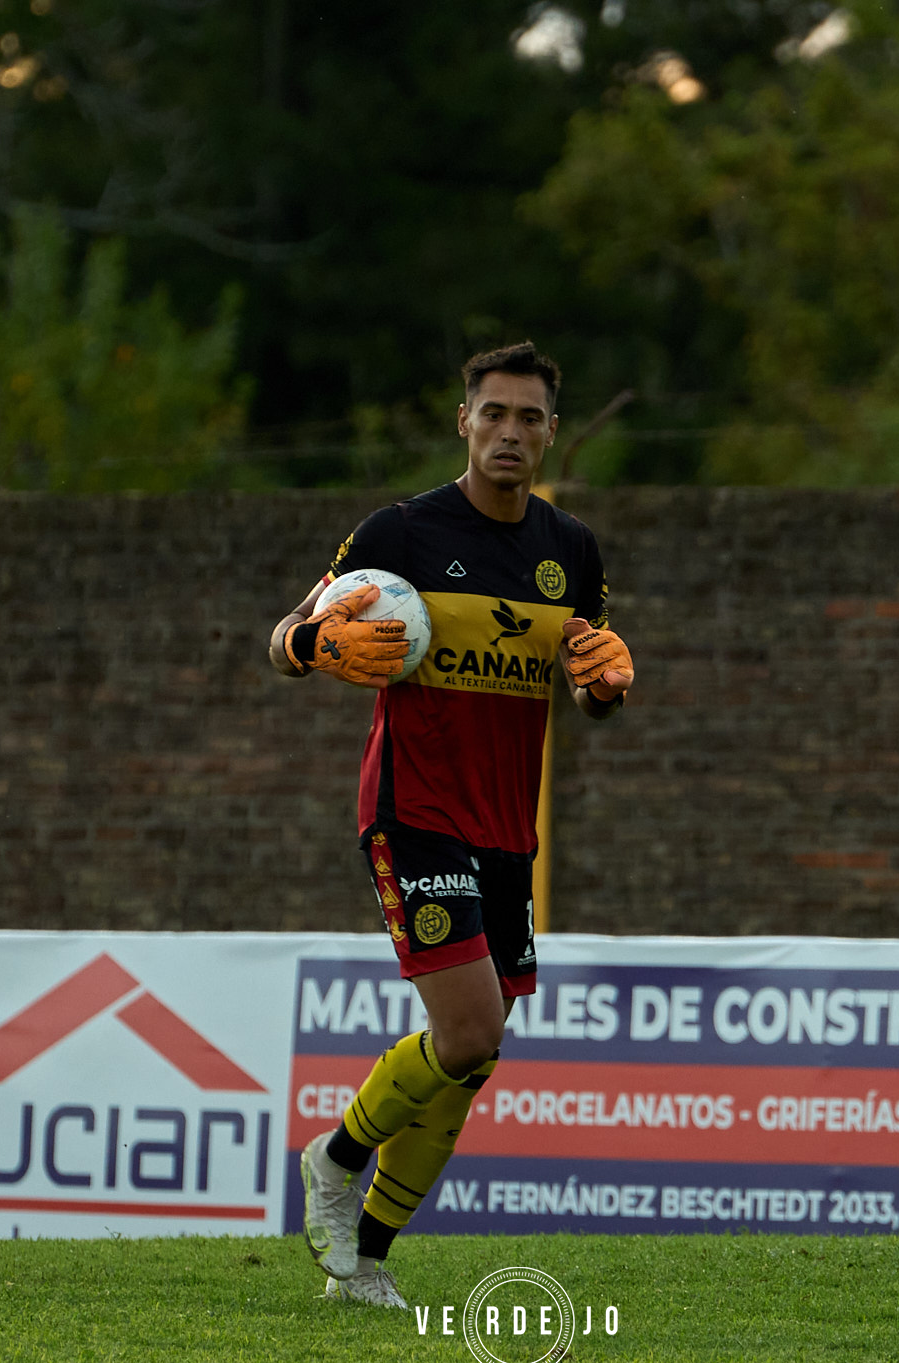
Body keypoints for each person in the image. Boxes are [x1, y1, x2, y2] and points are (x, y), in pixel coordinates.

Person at [267, 342, 634, 1308]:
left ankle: (368, 1263)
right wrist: (314, 641)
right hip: (414, 810)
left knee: (471, 1061)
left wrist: (604, 688)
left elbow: (586, 690)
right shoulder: (403, 532)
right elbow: (284, 642)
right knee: (467, 1034)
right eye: (494, 414)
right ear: (463, 422)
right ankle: (336, 1161)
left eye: (530, 418)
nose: (510, 432)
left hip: (508, 829)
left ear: (552, 431)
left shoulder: (572, 552)